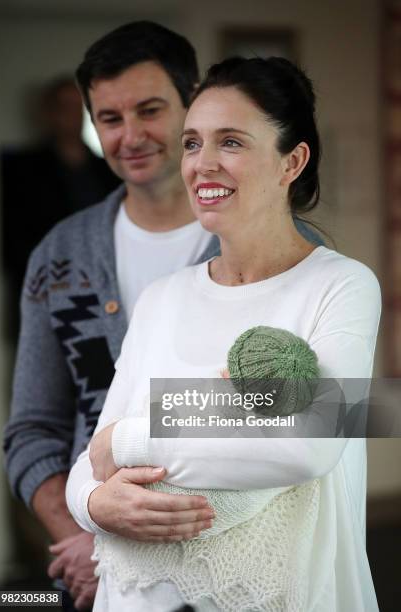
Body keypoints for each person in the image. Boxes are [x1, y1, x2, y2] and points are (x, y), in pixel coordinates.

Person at [3, 23, 320, 612]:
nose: (131, 136)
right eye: (109, 118)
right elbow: (33, 430)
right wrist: (83, 537)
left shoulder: (292, 256)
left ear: (192, 103)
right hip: (95, 578)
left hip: (240, 575)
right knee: (19, 603)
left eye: (150, 109)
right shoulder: (60, 255)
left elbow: (329, 415)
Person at [66, 56, 381, 611]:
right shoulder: (163, 298)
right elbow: (89, 463)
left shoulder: (342, 286)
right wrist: (95, 505)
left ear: (292, 161)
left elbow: (308, 442)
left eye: (230, 142)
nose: (202, 165)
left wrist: (129, 442)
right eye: (192, 143)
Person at [0, 76, 119, 338]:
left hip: (100, 295)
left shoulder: (108, 171)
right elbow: (13, 238)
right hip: (41, 293)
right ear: (49, 113)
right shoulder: (21, 169)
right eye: (64, 107)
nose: (72, 115)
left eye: (77, 107)